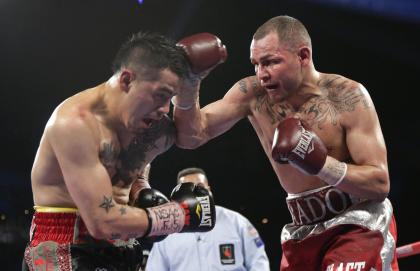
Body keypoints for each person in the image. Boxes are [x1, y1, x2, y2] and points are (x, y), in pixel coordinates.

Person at [172, 15, 399, 270]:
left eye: (270, 62)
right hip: (302, 231)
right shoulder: (253, 95)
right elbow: (191, 136)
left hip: (357, 223)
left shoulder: (347, 97)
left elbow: (380, 183)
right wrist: (189, 83)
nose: (261, 74)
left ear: (303, 56)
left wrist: (322, 164)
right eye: (256, 64)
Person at [22, 31, 227, 271]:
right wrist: (179, 215)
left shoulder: (143, 120)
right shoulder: (75, 123)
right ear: (127, 80)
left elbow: (191, 137)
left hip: (124, 244)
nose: (163, 109)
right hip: (64, 244)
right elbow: (101, 221)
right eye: (160, 95)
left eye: (169, 98)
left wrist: (141, 188)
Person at [145, 167, 270, 271]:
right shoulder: (167, 229)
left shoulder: (236, 221)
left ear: (209, 190)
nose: (194, 193)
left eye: (199, 187)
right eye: (188, 188)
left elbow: (258, 262)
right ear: (179, 193)